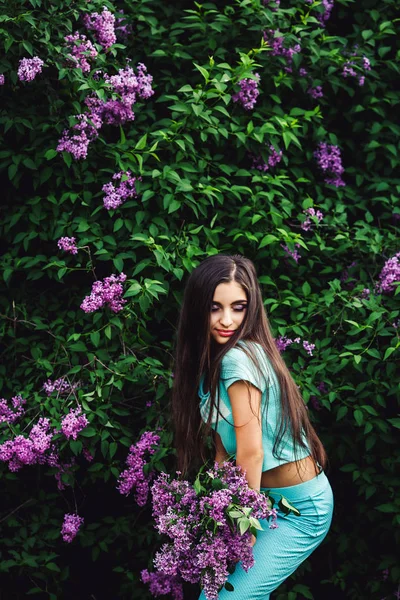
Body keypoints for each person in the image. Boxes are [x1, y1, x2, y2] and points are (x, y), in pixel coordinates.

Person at [171, 254, 334, 599]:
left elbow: (251, 451)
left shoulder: (236, 358)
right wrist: (216, 519)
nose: (226, 320)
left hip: (301, 509)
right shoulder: (210, 368)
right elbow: (222, 453)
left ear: (251, 308)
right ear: (198, 307)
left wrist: (245, 526)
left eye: (238, 307)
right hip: (266, 502)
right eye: (215, 307)